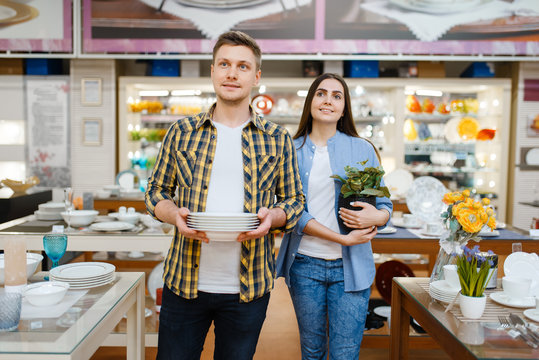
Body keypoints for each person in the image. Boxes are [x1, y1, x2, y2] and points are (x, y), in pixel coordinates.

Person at [145, 31, 304, 360]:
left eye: (243, 66)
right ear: (213, 71)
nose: (232, 73)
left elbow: (294, 201)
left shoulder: (277, 138)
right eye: (225, 64)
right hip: (184, 283)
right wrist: (174, 214)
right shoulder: (182, 131)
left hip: (249, 289)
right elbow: (155, 191)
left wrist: (272, 218)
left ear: (256, 77)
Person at [275, 73, 393, 360]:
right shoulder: (291, 149)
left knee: (345, 354)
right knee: (312, 351)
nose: (328, 100)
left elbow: (385, 205)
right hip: (304, 266)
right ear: (311, 101)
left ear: (344, 107)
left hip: (350, 269)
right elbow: (292, 212)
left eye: (336, 96)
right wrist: (342, 237)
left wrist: (375, 217)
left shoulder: (362, 148)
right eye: (321, 93)